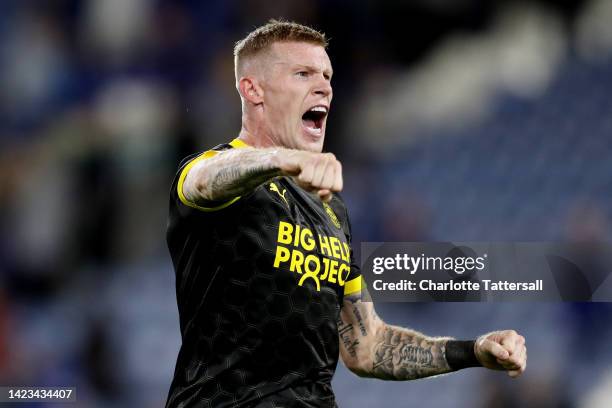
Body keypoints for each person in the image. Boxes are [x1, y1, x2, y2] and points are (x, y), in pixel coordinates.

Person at [165, 20, 527, 408]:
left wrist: (472, 351)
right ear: (253, 89)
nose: (323, 86)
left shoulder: (329, 207)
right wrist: (280, 159)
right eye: (302, 73)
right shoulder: (213, 171)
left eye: (327, 75)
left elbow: (367, 345)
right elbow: (202, 182)